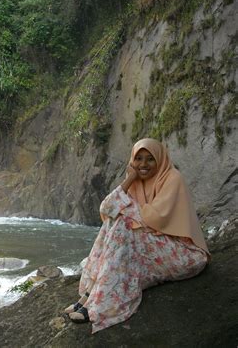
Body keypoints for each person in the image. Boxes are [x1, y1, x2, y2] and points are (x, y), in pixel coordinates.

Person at [64, 138, 209, 333]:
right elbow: (106, 209)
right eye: (138, 159)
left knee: (121, 221)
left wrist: (126, 211)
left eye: (150, 159)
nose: (143, 164)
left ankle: (100, 301)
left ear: (160, 159)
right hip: (159, 246)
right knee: (114, 221)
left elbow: (155, 218)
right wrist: (130, 179)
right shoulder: (136, 183)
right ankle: (94, 293)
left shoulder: (173, 178)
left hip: (184, 254)